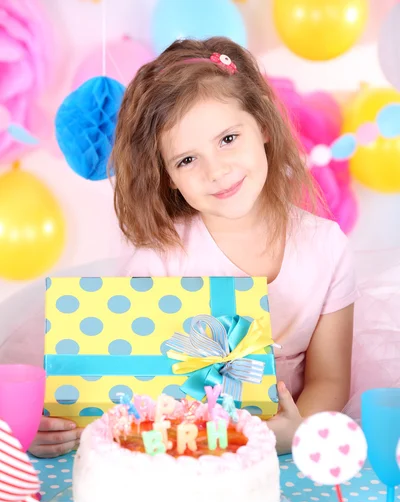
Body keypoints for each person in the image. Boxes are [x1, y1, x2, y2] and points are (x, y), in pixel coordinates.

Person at [29, 36, 357, 456]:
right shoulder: (161, 258)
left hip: (285, 453)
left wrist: (293, 434)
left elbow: (329, 379)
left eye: (227, 139)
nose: (216, 172)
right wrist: (57, 427)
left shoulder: (327, 248)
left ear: (261, 124)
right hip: (184, 456)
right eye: (187, 159)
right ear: (168, 176)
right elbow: (123, 388)